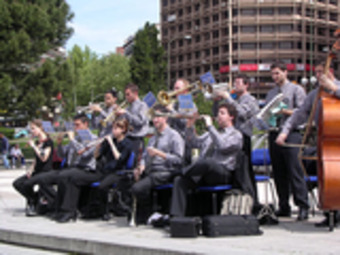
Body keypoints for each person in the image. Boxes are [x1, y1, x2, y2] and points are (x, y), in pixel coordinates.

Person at [276, 62, 340, 227]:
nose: (317, 76)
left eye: (321, 72)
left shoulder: (336, 88)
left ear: (330, 72)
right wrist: (285, 131)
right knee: (324, 176)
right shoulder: (314, 95)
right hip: (325, 141)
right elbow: (299, 114)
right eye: (316, 72)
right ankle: (330, 211)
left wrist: (334, 89)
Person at [170, 103, 243, 217]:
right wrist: (189, 127)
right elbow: (193, 143)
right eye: (218, 113)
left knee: (208, 162)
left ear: (231, 117)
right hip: (204, 172)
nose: (218, 116)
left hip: (222, 172)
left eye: (222, 113)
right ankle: (176, 218)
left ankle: (181, 171)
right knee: (180, 180)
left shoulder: (236, 135)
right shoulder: (211, 134)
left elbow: (222, 146)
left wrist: (210, 126)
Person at [265, 62, 309, 221]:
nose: (275, 77)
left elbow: (303, 112)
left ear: (285, 72)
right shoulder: (271, 93)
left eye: (277, 73)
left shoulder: (296, 90)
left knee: (294, 171)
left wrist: (284, 111)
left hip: (291, 134)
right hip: (274, 132)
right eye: (273, 74)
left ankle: (303, 205)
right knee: (279, 172)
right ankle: (284, 205)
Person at [131, 104, 184, 224]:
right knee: (130, 179)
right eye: (153, 117)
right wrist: (142, 166)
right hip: (151, 171)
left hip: (165, 172)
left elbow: (179, 160)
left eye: (158, 117)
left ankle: (149, 212)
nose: (155, 120)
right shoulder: (153, 138)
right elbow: (145, 156)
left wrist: (161, 154)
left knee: (137, 188)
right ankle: (144, 214)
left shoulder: (174, 136)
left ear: (165, 118)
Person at [215, 74, 260, 209]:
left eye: (239, 82)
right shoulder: (235, 99)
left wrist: (228, 98)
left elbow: (241, 113)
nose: (236, 85)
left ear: (246, 85)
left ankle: (251, 201)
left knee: (245, 172)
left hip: (243, 137)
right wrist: (217, 101)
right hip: (231, 136)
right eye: (235, 82)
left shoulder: (250, 99)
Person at [50, 113, 101, 223]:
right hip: (75, 168)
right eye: (74, 125)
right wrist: (59, 144)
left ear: (85, 124)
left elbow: (84, 154)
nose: (75, 128)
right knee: (62, 175)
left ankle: (69, 211)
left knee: (70, 176)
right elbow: (62, 155)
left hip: (88, 170)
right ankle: (59, 209)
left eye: (77, 125)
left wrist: (72, 140)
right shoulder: (76, 138)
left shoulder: (93, 139)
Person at [12, 120, 54, 216]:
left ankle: (34, 202)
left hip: (45, 171)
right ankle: (33, 198)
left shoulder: (48, 142)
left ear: (41, 128)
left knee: (27, 184)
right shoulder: (38, 141)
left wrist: (34, 146)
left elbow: (44, 158)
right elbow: (36, 159)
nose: (32, 131)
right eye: (31, 129)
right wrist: (31, 169)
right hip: (37, 171)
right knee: (18, 183)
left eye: (34, 128)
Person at [96, 118, 133, 220]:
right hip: (107, 170)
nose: (114, 130)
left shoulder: (128, 143)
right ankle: (95, 209)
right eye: (113, 128)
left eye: (116, 128)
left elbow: (120, 158)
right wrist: (97, 147)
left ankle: (105, 211)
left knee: (102, 186)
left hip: (119, 172)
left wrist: (112, 144)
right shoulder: (110, 142)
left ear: (123, 129)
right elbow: (97, 157)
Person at [167, 78, 198, 165]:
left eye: (177, 88)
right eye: (174, 88)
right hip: (173, 141)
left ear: (185, 90)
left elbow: (185, 122)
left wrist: (172, 111)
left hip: (184, 142)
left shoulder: (187, 102)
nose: (174, 90)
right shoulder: (175, 103)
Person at [116, 83, 149, 159]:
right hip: (128, 138)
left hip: (137, 139)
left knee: (134, 164)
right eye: (125, 95)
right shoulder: (128, 107)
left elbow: (140, 121)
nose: (126, 97)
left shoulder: (142, 105)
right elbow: (123, 123)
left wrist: (126, 113)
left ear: (135, 93)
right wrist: (118, 116)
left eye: (128, 94)